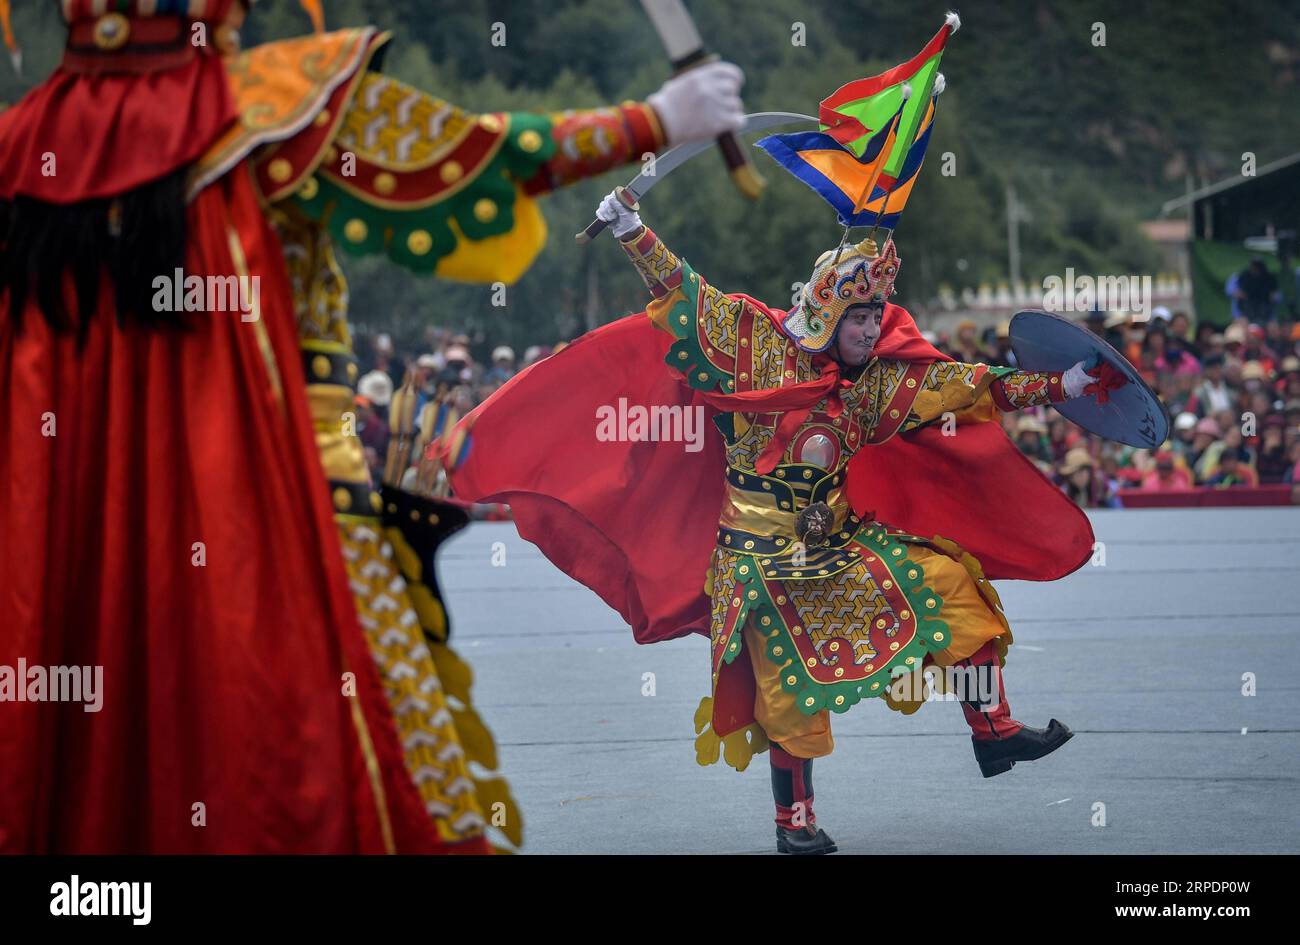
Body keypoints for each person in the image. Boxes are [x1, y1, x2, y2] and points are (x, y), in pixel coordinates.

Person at [0, 0, 745, 853]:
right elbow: (480, 155)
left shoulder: (20, 145)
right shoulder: (276, 107)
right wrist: (655, 119)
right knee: (351, 764)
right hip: (280, 514)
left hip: (60, 527)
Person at [444, 189, 1130, 855]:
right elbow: (684, 292)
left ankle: (994, 730)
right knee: (788, 685)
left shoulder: (877, 384)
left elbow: (972, 387)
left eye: (875, 316)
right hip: (757, 560)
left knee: (951, 582)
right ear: (829, 313)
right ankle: (793, 820)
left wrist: (1061, 387)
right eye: (858, 318)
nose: (869, 329)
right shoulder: (753, 347)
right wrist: (631, 229)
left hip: (838, 543)